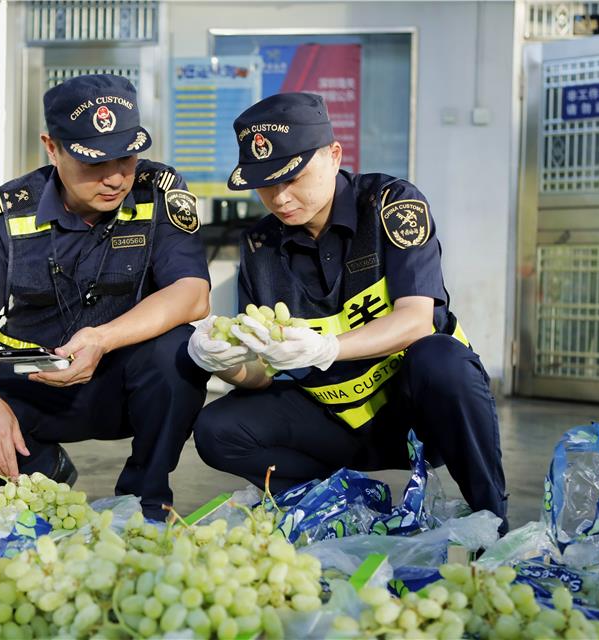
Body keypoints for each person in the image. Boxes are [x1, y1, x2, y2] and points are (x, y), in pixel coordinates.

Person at [188, 92, 508, 530]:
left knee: (442, 360)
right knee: (216, 428)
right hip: (331, 420)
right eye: (265, 183)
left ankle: (491, 519)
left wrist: (327, 348)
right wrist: (222, 364)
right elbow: (261, 373)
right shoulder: (260, 246)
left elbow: (416, 319)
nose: (280, 198)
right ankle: (334, 502)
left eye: (293, 177)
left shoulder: (389, 205)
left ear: (334, 156)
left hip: (416, 414)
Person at [0, 74, 211, 519]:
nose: (116, 178)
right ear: (52, 147)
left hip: (123, 384)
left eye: (127, 157)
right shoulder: (9, 211)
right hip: (37, 385)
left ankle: (145, 496)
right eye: (94, 163)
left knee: (180, 353)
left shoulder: (159, 192)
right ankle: (46, 479)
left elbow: (192, 294)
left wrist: (102, 339)